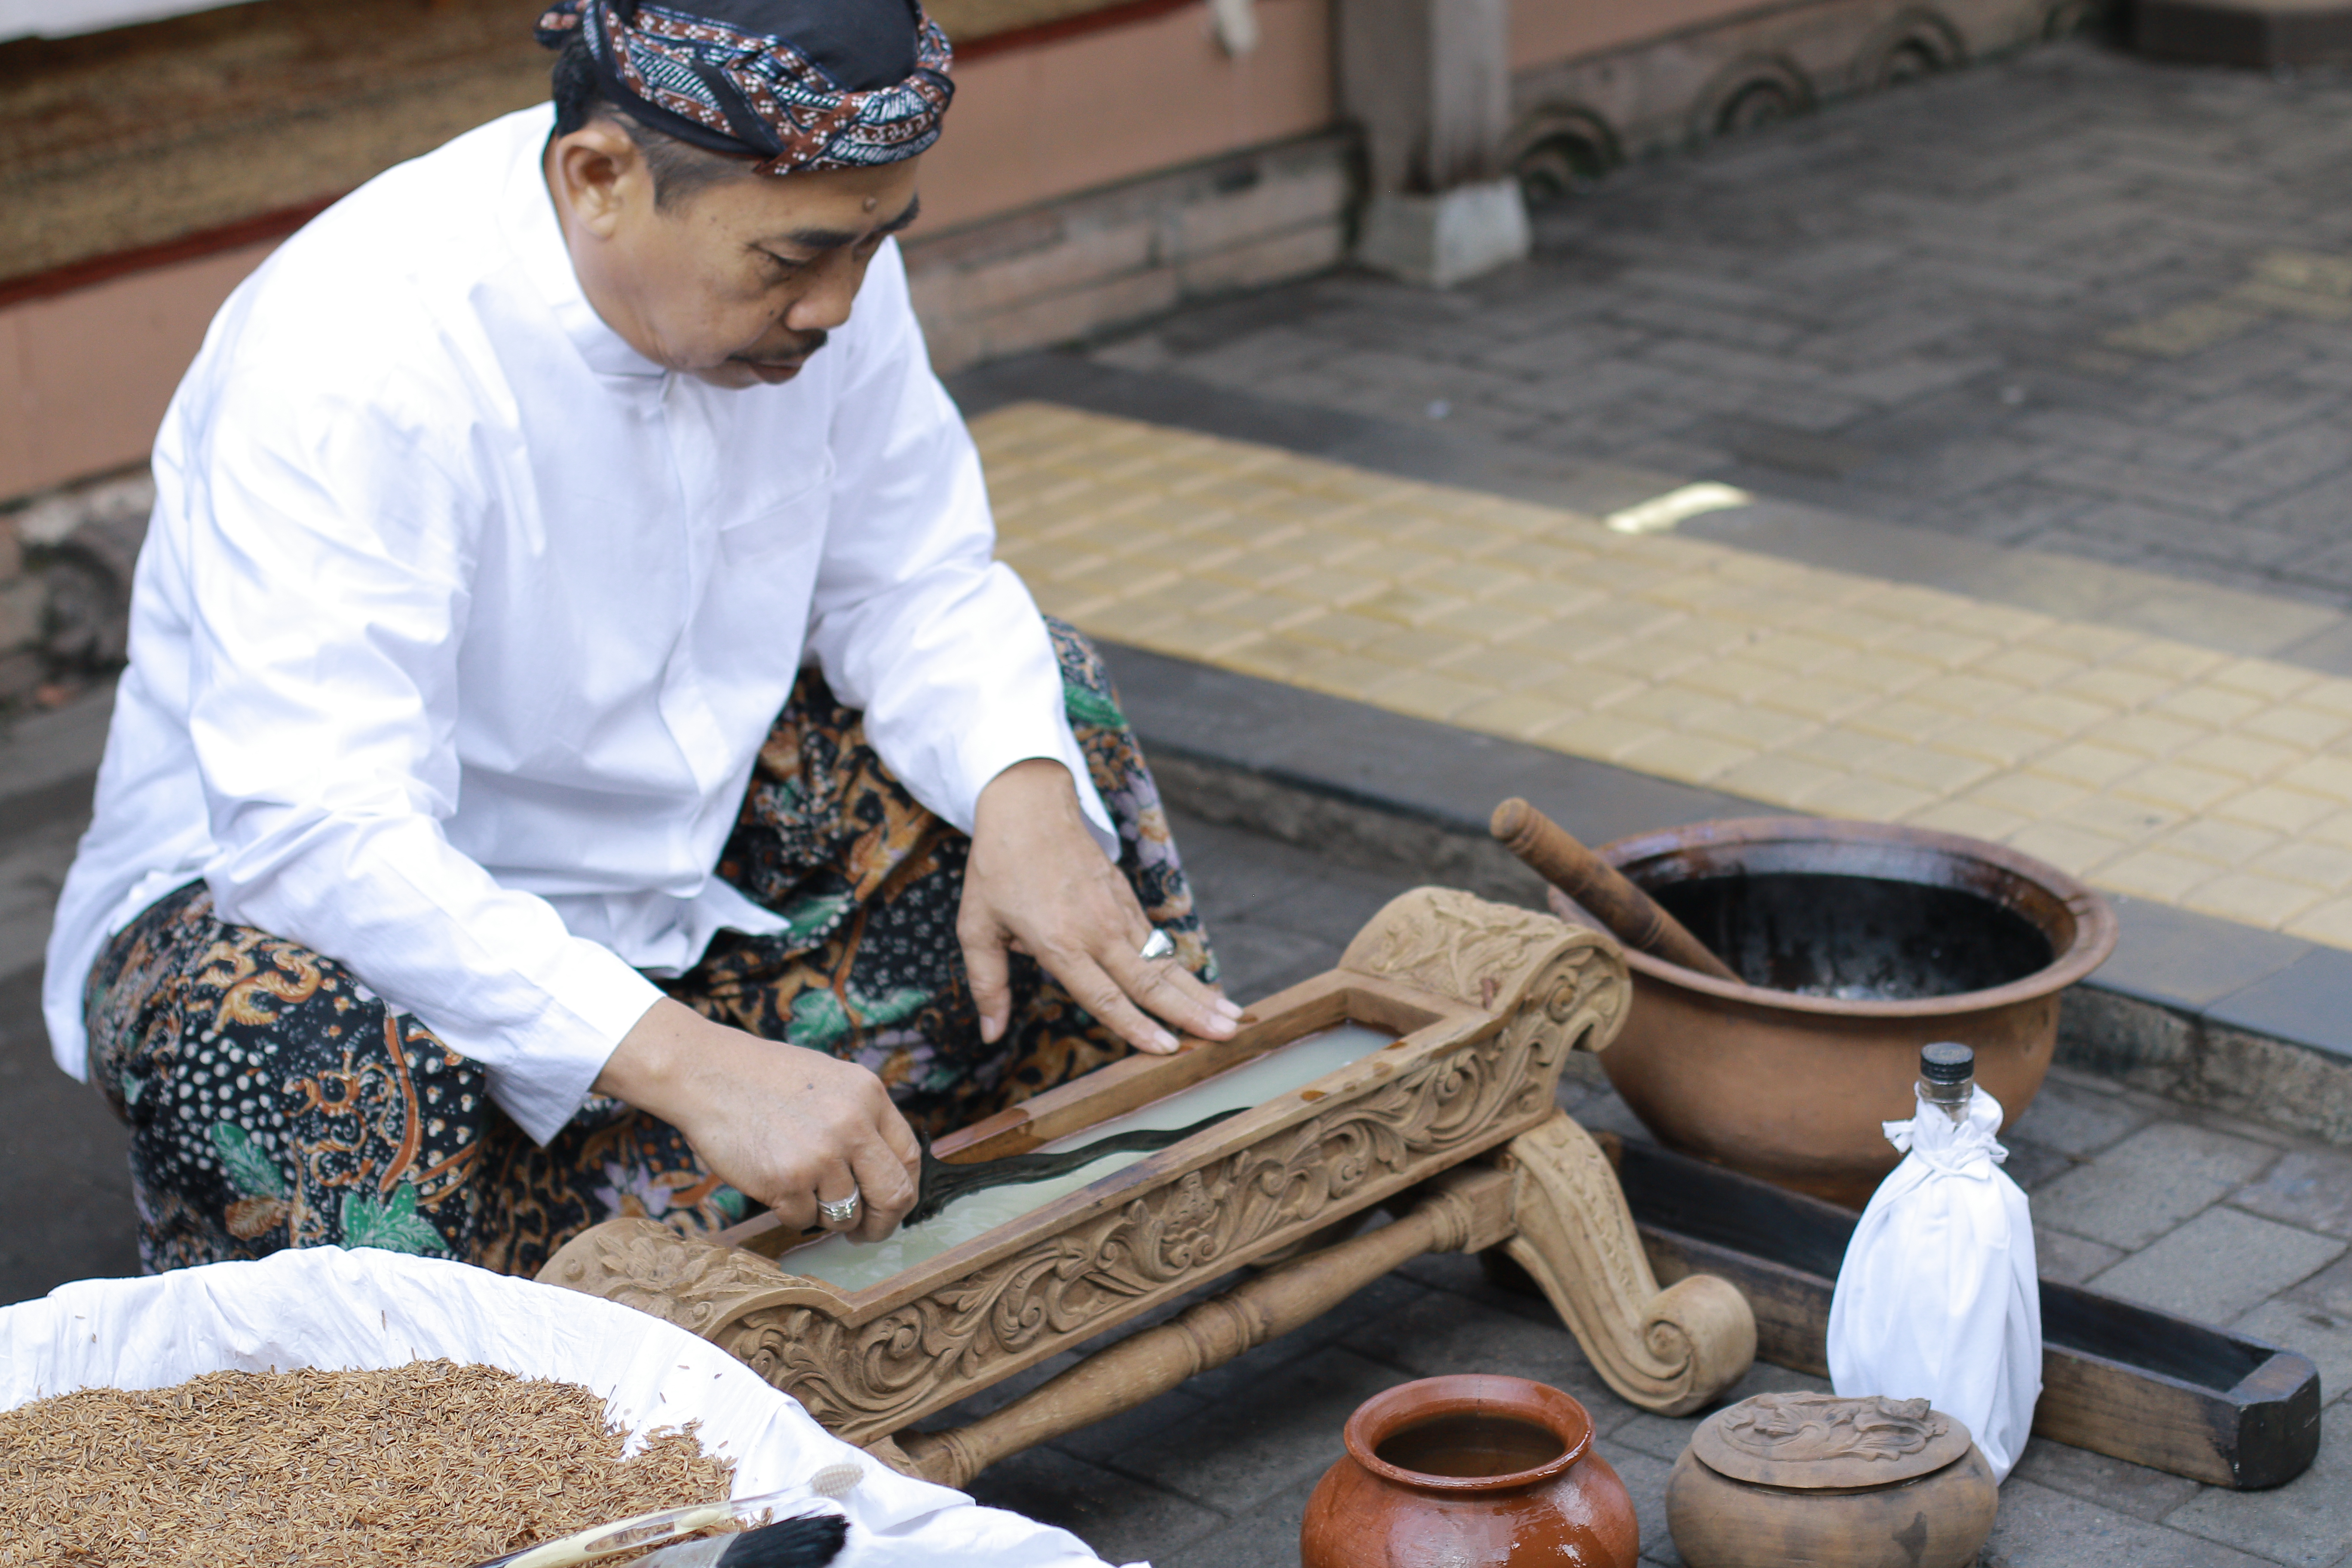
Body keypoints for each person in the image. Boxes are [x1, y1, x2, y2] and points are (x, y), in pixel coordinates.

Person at [41, 0, 1239, 1278]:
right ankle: (483, 1334)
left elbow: (912, 579)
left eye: (876, 244)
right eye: (792, 260)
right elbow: (315, 833)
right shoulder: (352, 358)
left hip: (676, 849)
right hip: (304, 893)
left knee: (1040, 724)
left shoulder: (822, 265)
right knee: (286, 1037)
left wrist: (1029, 801)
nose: (838, 305)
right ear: (599, 178)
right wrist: (690, 1065)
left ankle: (1111, 1207)